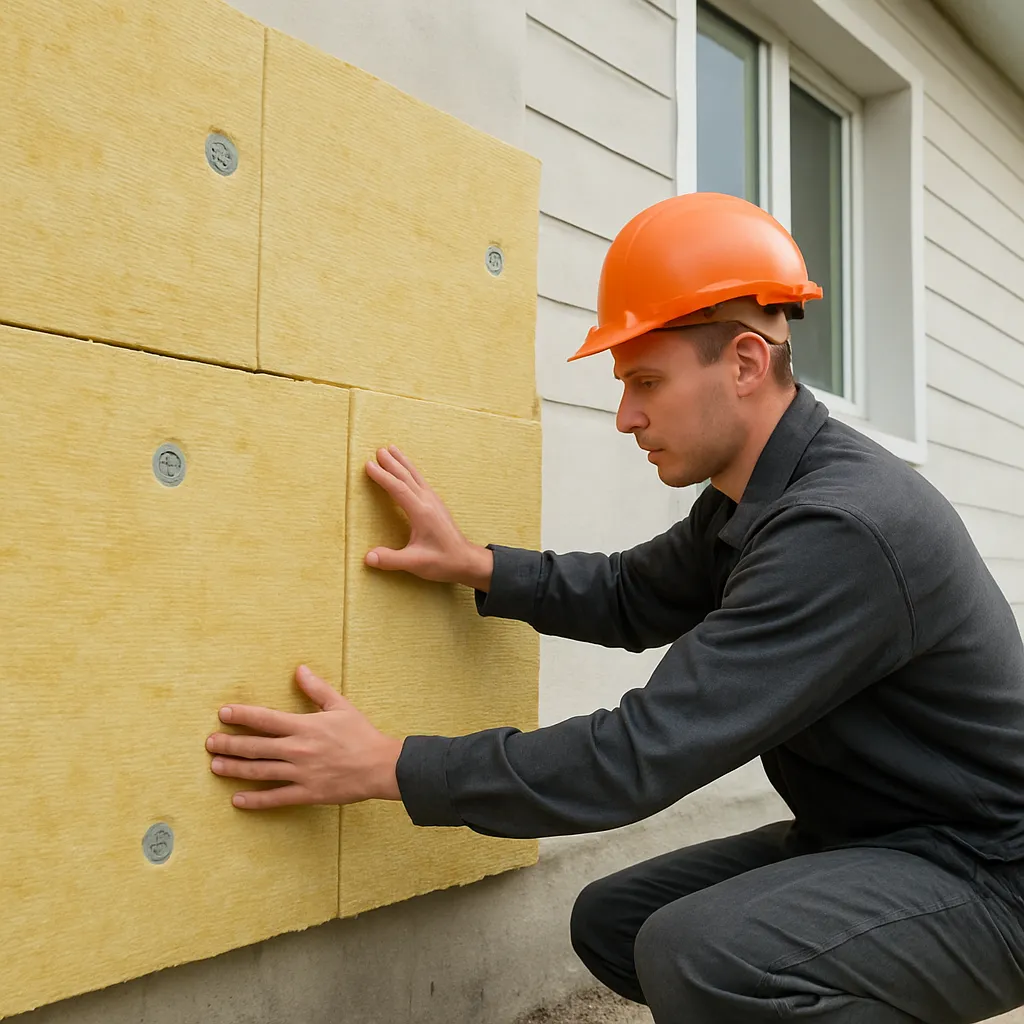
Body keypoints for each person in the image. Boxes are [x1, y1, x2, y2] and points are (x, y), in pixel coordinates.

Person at [205, 193, 1024, 1022]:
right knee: (617, 924)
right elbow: (637, 594)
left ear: (743, 363)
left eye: (646, 381)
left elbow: (640, 754)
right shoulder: (757, 497)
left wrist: (388, 766)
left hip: (990, 868)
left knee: (704, 956)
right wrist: (477, 565)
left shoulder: (841, 527)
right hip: (878, 837)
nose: (626, 415)